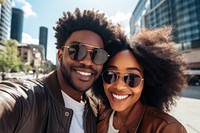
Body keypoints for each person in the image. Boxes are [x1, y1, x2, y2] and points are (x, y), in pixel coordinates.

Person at [0, 8, 124, 133]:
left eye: (98, 55)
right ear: (60, 55)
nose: (87, 61)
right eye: (76, 51)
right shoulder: (27, 100)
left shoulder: (95, 110)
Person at [93, 26, 188, 133]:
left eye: (132, 78)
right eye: (110, 75)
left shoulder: (165, 128)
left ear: (146, 82)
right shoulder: (101, 114)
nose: (119, 86)